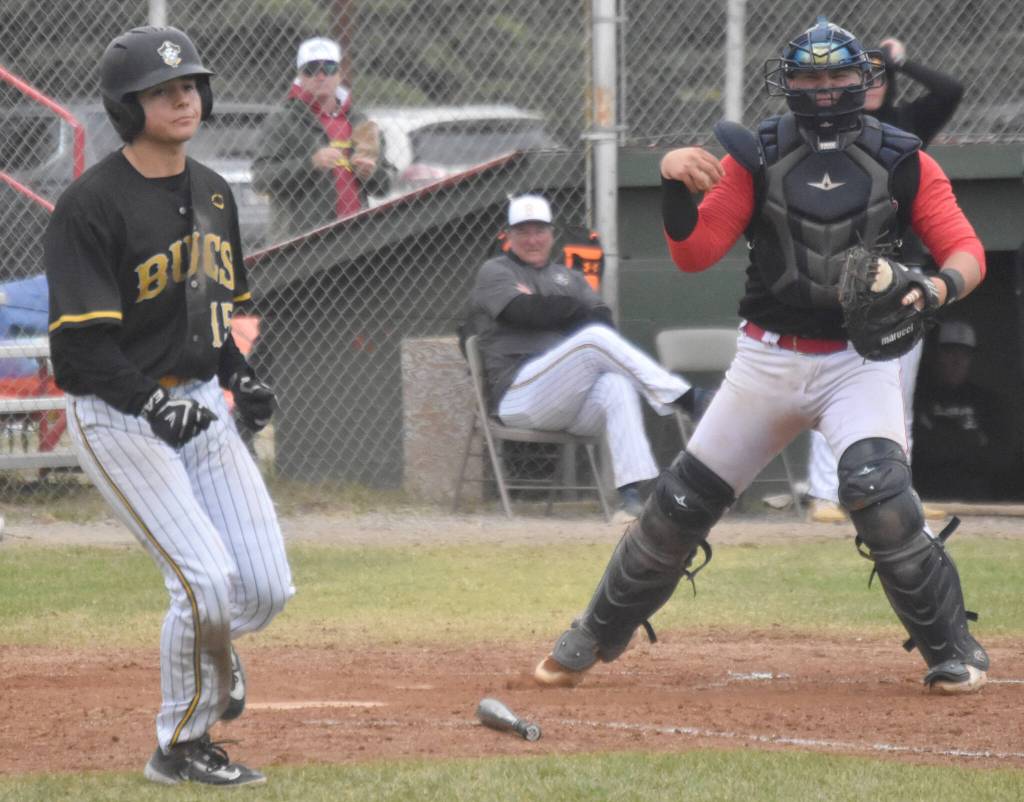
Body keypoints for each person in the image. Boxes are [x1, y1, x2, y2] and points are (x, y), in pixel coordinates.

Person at [533, 18, 989, 694]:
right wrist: (668, 183)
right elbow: (694, 256)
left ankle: (955, 651)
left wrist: (932, 285)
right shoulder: (758, 155)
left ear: (863, 79)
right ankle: (598, 630)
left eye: (840, 75)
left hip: (856, 360)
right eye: (812, 75)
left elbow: (967, 252)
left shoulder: (903, 157)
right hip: (767, 361)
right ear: (790, 83)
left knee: (879, 494)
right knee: (680, 503)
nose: (827, 88)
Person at [45, 27, 294, 786]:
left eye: (189, 84)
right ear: (128, 107)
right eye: (162, 89)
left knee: (264, 586)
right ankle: (180, 746)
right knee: (203, 581)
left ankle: (213, 655)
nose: (182, 96)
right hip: (117, 414)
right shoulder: (89, 206)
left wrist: (239, 373)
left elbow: (212, 314)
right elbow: (80, 353)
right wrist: (152, 408)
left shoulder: (215, 190)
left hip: (194, 404)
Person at [467, 194, 712, 519]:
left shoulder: (569, 277)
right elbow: (524, 312)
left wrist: (559, 310)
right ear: (508, 236)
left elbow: (602, 319)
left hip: (563, 399)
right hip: (516, 395)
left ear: (551, 234)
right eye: (522, 231)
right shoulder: (495, 271)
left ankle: (630, 500)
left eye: (539, 230)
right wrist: (571, 311)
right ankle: (687, 399)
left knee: (616, 384)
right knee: (592, 340)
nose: (532, 239)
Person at [806, 36, 964, 523]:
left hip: (904, 268)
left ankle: (898, 492)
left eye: (880, 76)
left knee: (900, 386)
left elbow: (951, 90)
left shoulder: (908, 124)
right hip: (845, 265)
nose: (873, 85)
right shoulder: (834, 127)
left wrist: (902, 59)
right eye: (863, 75)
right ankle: (822, 492)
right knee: (831, 375)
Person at [252, 36, 392, 242]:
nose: (320, 76)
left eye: (328, 68)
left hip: (358, 239)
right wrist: (311, 164)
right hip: (302, 244)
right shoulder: (283, 120)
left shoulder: (360, 121)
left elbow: (384, 186)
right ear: (300, 76)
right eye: (311, 69)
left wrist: (370, 173)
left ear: (339, 74)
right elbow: (261, 180)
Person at [912, 321, 1004, 500]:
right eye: (950, 352)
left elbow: (999, 457)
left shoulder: (987, 402)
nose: (957, 361)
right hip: (927, 499)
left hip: (977, 502)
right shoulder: (917, 398)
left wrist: (941, 440)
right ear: (935, 355)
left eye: (965, 354)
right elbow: (916, 453)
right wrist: (969, 440)